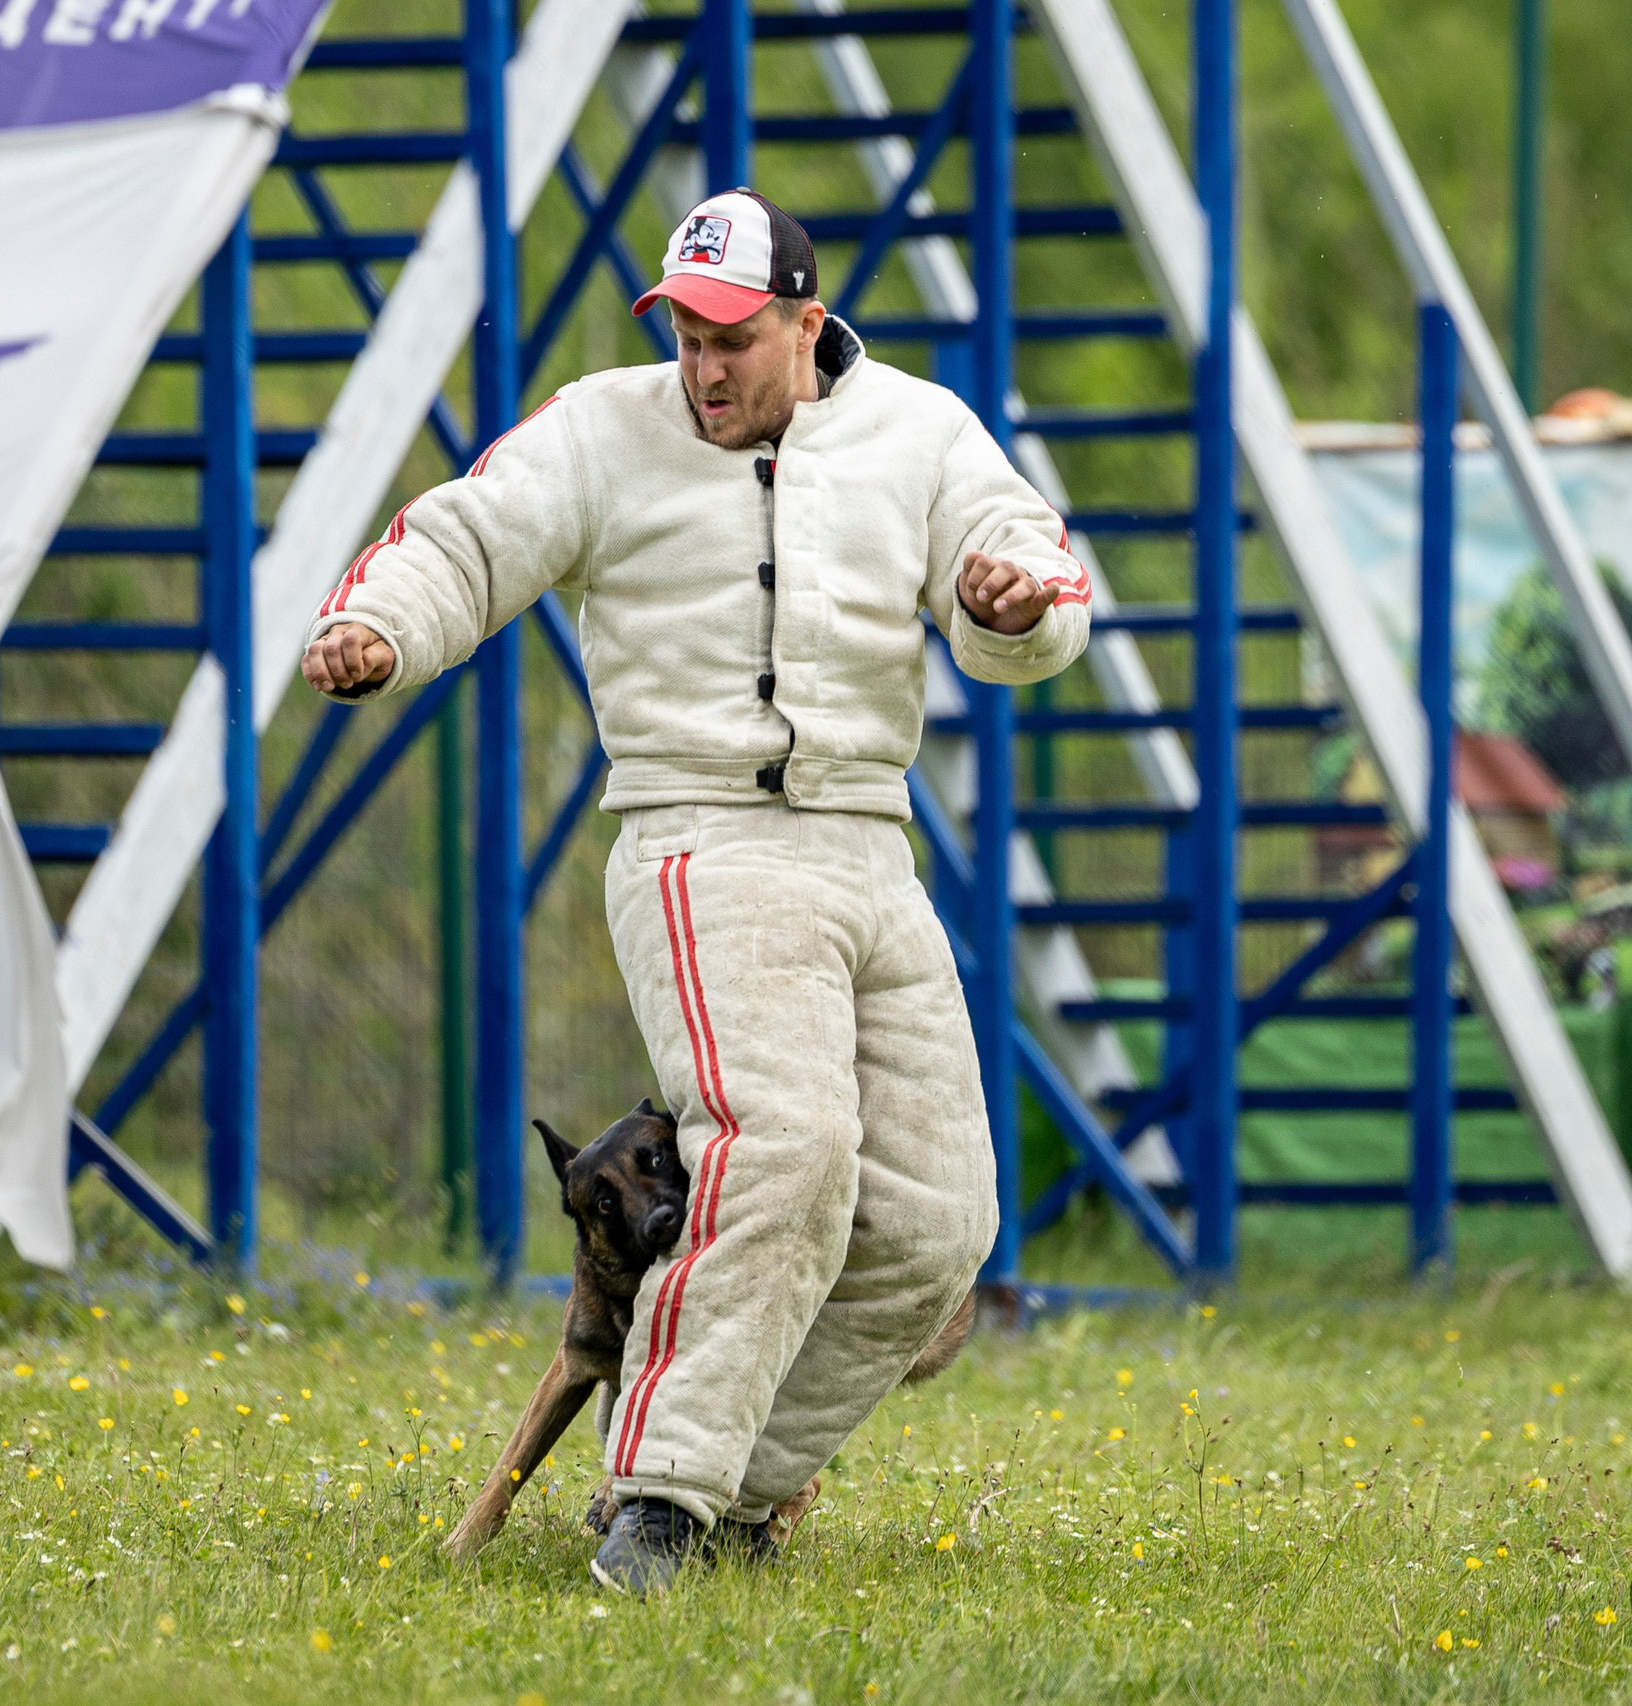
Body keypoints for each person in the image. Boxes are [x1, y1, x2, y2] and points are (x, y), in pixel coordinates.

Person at [299, 188, 1092, 1593]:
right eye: (685, 336)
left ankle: (729, 1491)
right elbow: (464, 537)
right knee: (785, 1146)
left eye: (731, 337)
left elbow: (1023, 558)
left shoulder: (920, 432)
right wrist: (378, 627)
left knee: (936, 1220)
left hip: (869, 844)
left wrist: (1012, 602)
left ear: (804, 317)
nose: (704, 368)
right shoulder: (605, 426)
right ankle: (656, 1502)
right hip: (700, 839)